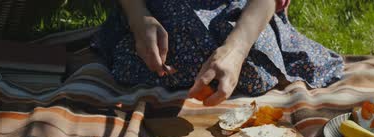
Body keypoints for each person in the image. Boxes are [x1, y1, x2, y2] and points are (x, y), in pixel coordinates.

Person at [92, 0, 343, 106]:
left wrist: (235, 50)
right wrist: (139, 20)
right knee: (171, 47)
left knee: (251, 66)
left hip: (242, 9)